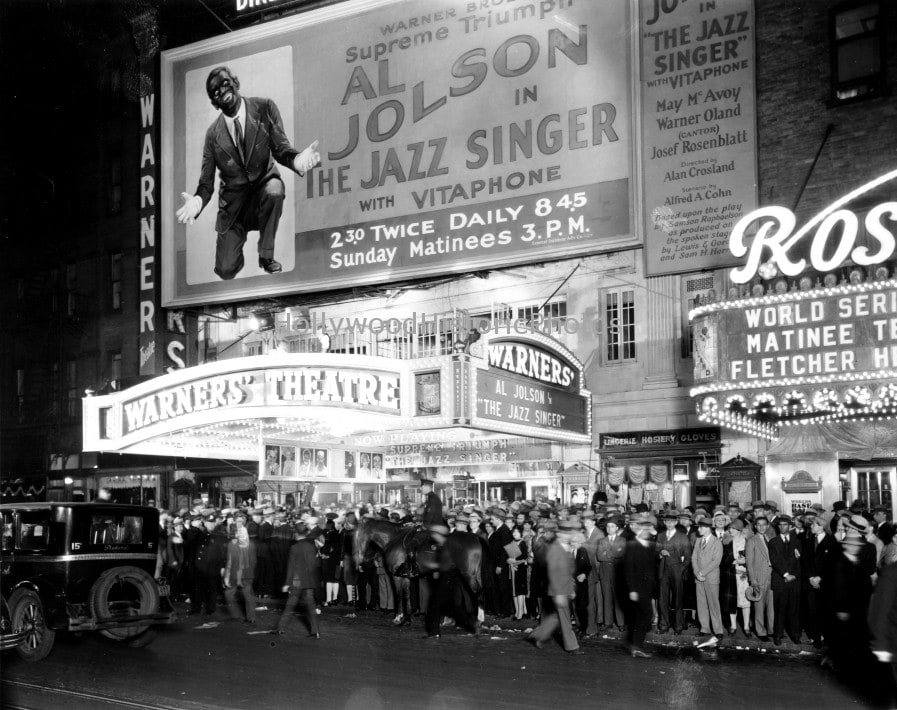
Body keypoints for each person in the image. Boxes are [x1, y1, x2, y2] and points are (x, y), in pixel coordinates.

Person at [175, 66, 320, 280]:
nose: (222, 91)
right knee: (225, 270)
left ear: (235, 82)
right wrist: (196, 202)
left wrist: (297, 160)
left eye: (225, 83)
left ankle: (265, 255)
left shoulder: (264, 108)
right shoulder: (212, 136)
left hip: (264, 189)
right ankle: (236, 251)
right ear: (215, 104)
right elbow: (206, 183)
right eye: (215, 92)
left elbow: (280, 148)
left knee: (275, 190)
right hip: (234, 208)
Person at [526, 520, 583, 654]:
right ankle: (572, 646)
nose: (569, 535)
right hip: (559, 590)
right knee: (565, 618)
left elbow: (569, 570)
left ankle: (536, 635)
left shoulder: (565, 547)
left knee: (556, 616)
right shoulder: (555, 549)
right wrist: (559, 594)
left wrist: (572, 588)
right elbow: (552, 573)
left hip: (565, 588)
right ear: (561, 534)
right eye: (567, 533)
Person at [276, 522, 324, 637]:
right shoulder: (312, 546)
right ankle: (315, 631)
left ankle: (280, 628)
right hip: (309, 581)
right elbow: (316, 564)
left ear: (296, 534)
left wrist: (287, 583)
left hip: (297, 582)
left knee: (290, 606)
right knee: (311, 607)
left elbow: (291, 567)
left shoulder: (294, 548)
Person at [624, 513, 658, 657]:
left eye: (649, 529)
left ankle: (636, 645)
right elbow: (628, 569)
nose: (647, 532)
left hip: (648, 587)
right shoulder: (632, 545)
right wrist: (632, 589)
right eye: (645, 529)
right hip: (638, 588)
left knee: (641, 616)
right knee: (646, 615)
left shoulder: (649, 545)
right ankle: (636, 646)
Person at [768, 514, 802, 645]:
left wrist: (794, 575)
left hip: (794, 581)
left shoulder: (797, 541)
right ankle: (777, 635)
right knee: (780, 609)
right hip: (780, 580)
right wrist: (786, 574)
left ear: (790, 526)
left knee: (794, 609)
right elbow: (775, 561)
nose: (782, 527)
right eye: (780, 525)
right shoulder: (773, 542)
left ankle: (796, 635)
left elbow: (799, 561)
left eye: (785, 525)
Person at [656, 509, 692, 635]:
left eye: (672, 521)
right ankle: (664, 625)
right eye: (667, 521)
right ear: (664, 522)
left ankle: (678, 626)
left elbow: (688, 557)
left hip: (677, 570)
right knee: (663, 599)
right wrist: (660, 553)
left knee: (678, 599)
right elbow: (655, 552)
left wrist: (680, 570)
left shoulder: (683, 537)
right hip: (663, 570)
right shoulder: (660, 536)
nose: (669, 524)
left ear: (676, 522)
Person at [692, 514, 725, 647]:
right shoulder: (698, 541)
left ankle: (718, 630)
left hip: (710, 578)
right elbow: (694, 558)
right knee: (701, 604)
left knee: (713, 604)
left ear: (707, 528)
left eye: (700, 527)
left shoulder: (717, 542)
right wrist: (696, 573)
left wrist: (702, 572)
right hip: (699, 578)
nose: (698, 529)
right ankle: (704, 628)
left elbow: (716, 562)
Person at [223, 513, 257, 624]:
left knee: (229, 594)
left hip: (234, 573)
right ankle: (250, 617)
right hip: (247, 574)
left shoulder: (232, 544)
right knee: (248, 595)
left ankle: (236, 615)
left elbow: (229, 561)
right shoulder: (251, 544)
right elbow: (254, 561)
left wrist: (226, 577)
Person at [744, 515, 774, 641]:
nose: (761, 527)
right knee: (759, 607)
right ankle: (761, 632)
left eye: (764, 524)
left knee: (771, 607)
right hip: (759, 578)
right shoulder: (752, 541)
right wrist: (753, 580)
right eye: (759, 525)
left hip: (772, 577)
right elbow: (749, 562)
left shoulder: (771, 538)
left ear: (768, 526)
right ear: (755, 526)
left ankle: (771, 630)